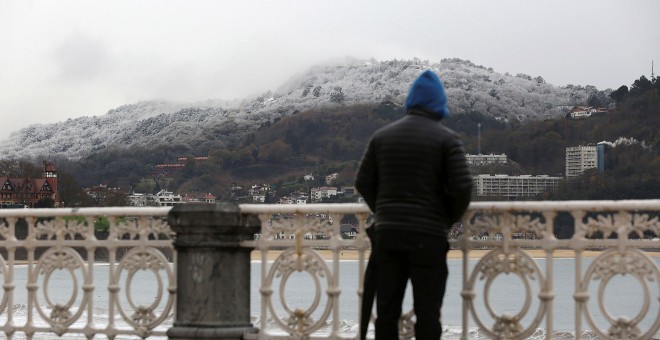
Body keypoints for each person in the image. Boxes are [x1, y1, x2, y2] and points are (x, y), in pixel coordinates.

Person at [355, 70, 473, 340]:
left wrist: (383, 210)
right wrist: (445, 220)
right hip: (428, 238)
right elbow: (463, 188)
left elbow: (363, 181)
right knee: (428, 314)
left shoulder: (382, 136)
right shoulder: (447, 140)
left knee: (386, 312)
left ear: (410, 102)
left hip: (388, 236)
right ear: (439, 104)